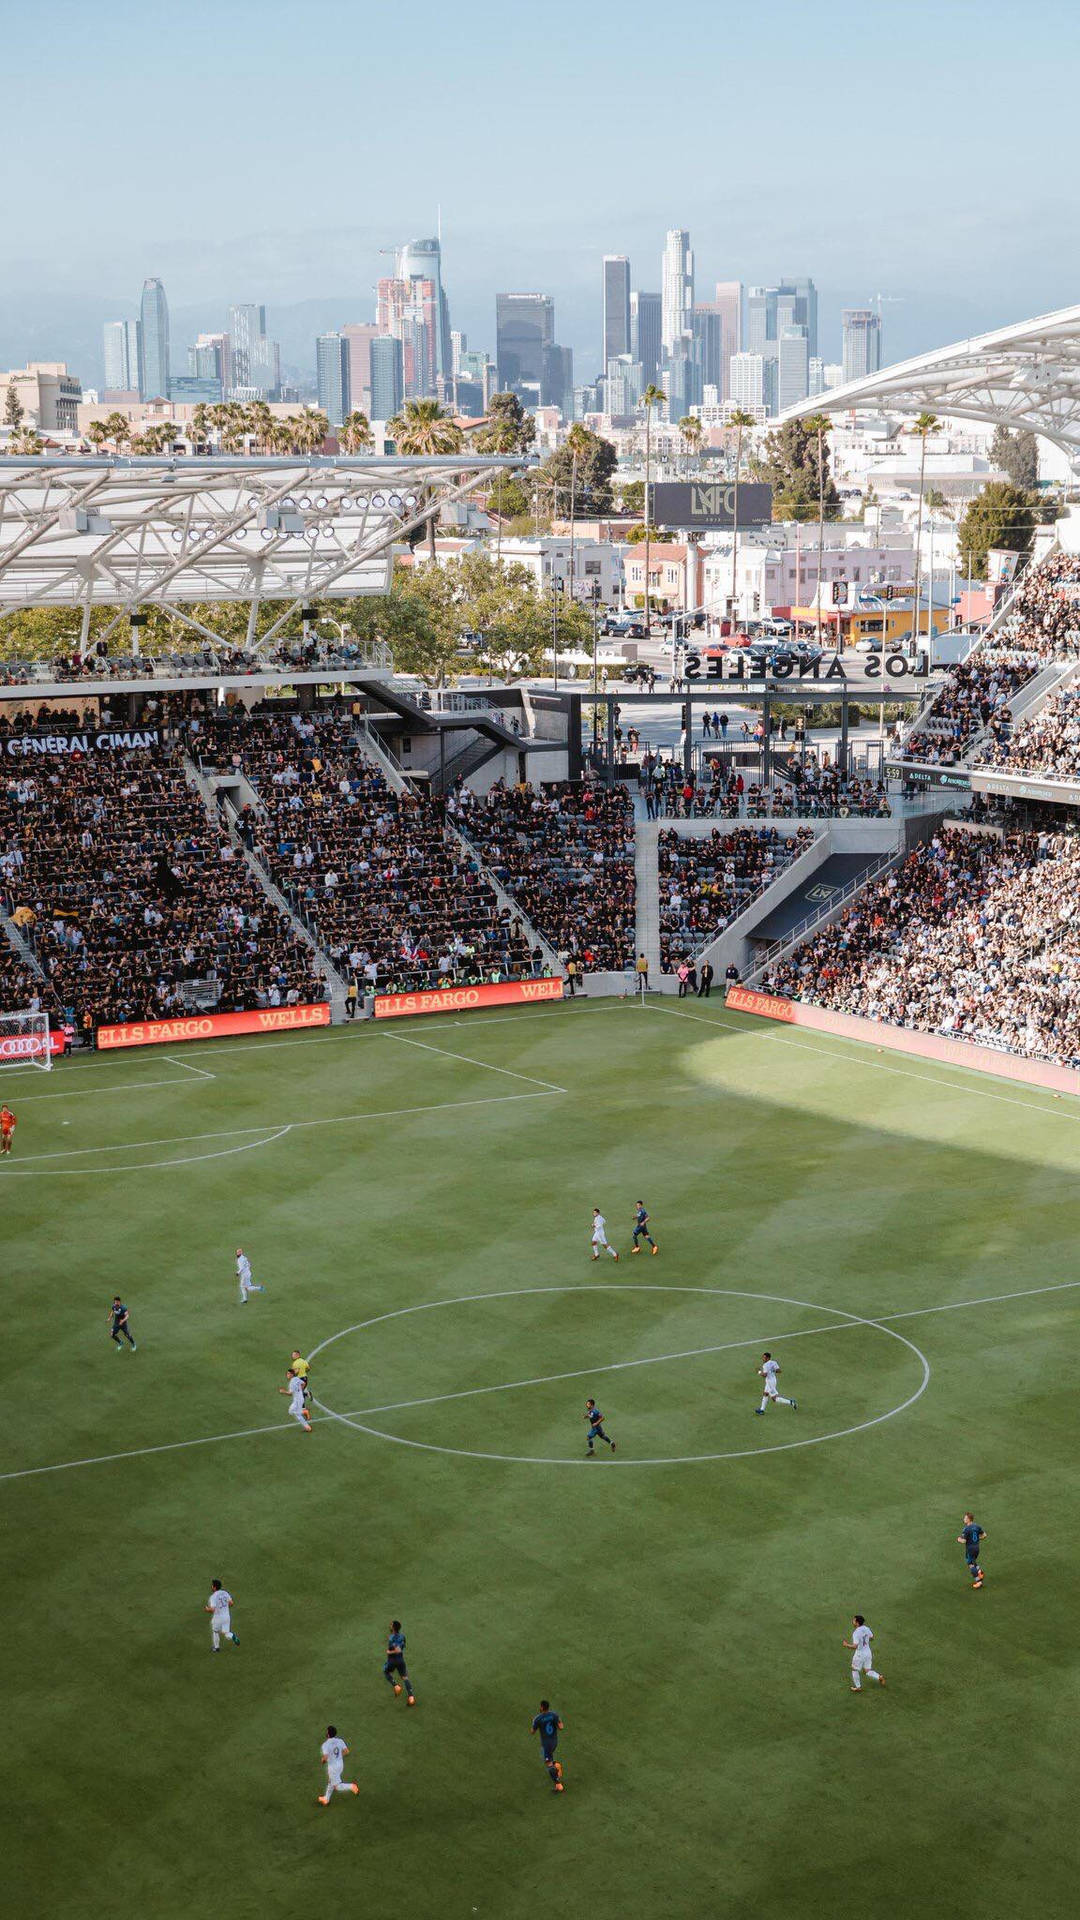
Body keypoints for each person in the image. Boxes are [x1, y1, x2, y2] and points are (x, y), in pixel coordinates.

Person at [318, 1726, 359, 1804]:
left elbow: (325, 1758)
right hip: (340, 1765)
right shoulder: (340, 1741)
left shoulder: (325, 1745)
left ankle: (352, 1786)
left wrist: (322, 1760)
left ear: (328, 1734)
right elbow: (347, 1751)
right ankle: (326, 1799)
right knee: (331, 1781)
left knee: (337, 1786)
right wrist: (339, 1756)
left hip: (333, 1768)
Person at [843, 1615, 884, 1692]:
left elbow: (855, 1646)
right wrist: (865, 1641)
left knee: (854, 1669)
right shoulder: (866, 1628)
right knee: (867, 1671)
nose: (852, 1621)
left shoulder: (856, 1633)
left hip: (859, 1654)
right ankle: (879, 1677)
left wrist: (846, 1645)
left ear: (857, 1623)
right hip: (868, 1652)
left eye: (854, 1620)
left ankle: (858, 1687)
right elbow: (872, 1638)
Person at [531, 1700, 564, 1791]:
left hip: (546, 1744)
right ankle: (556, 1765)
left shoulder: (538, 1718)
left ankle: (558, 1784)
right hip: (554, 1741)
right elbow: (561, 1727)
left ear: (541, 1707)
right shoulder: (554, 1715)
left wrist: (536, 1725)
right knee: (547, 1758)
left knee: (548, 1763)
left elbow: (532, 1732)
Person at [384, 1620, 416, 1705]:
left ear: (393, 1627)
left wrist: (389, 1652)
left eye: (391, 1625)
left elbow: (397, 1649)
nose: (390, 1625)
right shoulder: (402, 1636)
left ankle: (396, 1686)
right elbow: (402, 1647)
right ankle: (411, 1697)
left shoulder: (391, 1638)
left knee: (386, 1671)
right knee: (405, 1677)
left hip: (392, 1660)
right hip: (400, 1660)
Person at [205, 1579, 239, 1651]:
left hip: (218, 1618)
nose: (211, 1587)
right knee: (226, 1633)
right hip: (227, 1617)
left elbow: (213, 1609)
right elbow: (231, 1603)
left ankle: (216, 1648)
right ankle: (233, 1636)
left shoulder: (213, 1596)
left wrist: (207, 1609)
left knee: (215, 1631)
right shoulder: (225, 1593)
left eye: (212, 1585)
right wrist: (224, 1607)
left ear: (214, 1587)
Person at [957, 1512, 987, 1589]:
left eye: (965, 1518)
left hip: (970, 1549)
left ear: (969, 1519)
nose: (964, 1519)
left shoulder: (966, 1529)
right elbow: (984, 1535)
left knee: (970, 1564)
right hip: (977, 1548)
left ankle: (978, 1582)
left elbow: (963, 1541)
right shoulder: (977, 1526)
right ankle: (980, 1571)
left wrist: (959, 1539)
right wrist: (976, 1538)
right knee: (973, 1561)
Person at [279, 1368, 312, 1433]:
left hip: (297, 1401)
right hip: (300, 1399)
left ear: (292, 1374)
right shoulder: (296, 1378)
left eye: (288, 1373)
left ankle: (308, 1428)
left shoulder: (291, 1383)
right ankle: (305, 1412)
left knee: (297, 1414)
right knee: (290, 1411)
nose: (287, 1374)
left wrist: (283, 1391)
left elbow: (290, 1393)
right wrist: (300, 1391)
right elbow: (303, 1383)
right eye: (287, 1373)